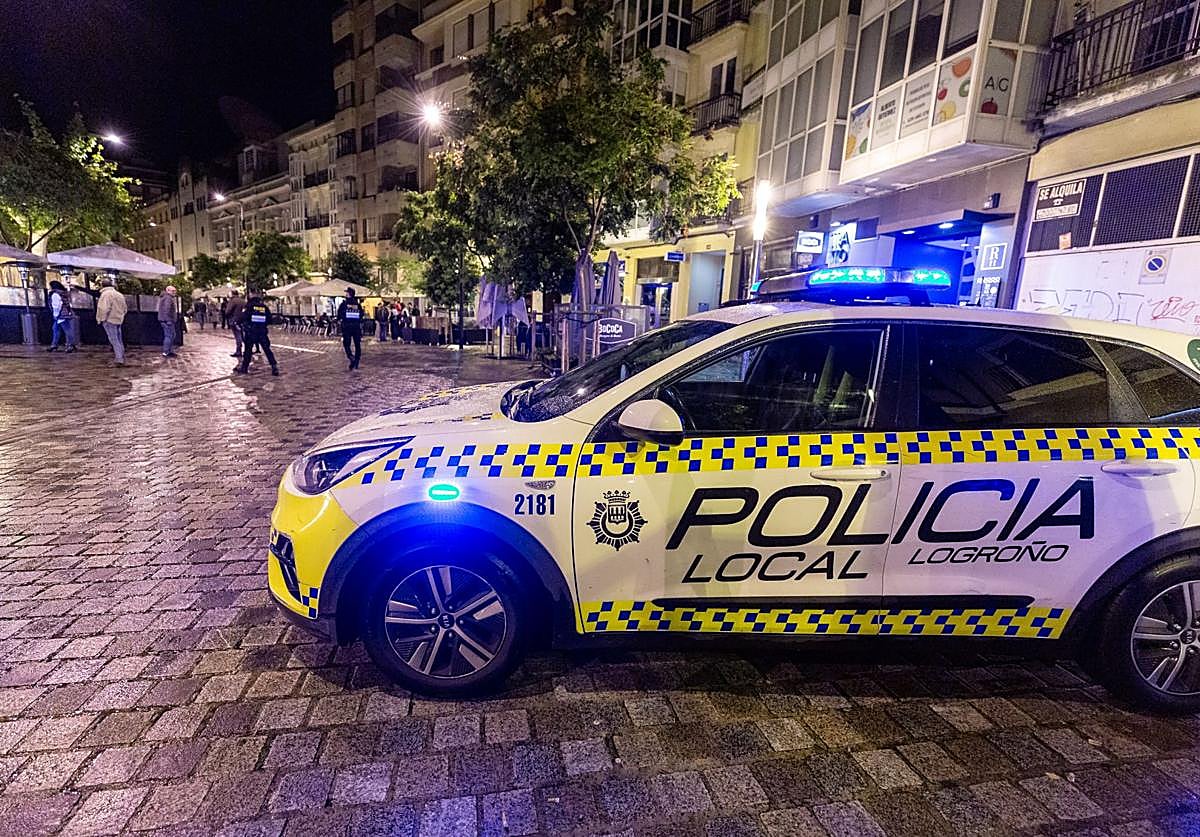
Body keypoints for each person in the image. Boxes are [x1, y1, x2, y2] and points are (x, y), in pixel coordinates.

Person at [236, 290, 279, 376]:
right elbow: (270, 319)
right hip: (262, 331)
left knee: (248, 350)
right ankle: (274, 367)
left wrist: (239, 323)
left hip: (251, 331)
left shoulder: (249, 306)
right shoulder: (263, 307)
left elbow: (243, 317)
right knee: (267, 349)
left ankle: (244, 368)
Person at [96, 277, 128, 366]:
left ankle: (119, 359)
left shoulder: (105, 295)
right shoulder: (119, 294)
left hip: (109, 320)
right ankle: (121, 357)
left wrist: (101, 319)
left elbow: (104, 308)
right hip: (118, 319)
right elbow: (125, 309)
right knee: (118, 339)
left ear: (102, 285)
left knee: (114, 340)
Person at [46, 280, 77, 354]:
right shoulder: (63, 293)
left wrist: (56, 315)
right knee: (56, 329)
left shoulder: (55, 294)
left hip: (60, 315)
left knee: (65, 330)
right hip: (66, 313)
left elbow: (56, 306)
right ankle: (54, 345)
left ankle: (70, 345)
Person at [337, 288, 364, 370]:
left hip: (347, 327)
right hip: (356, 327)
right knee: (357, 345)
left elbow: (339, 315)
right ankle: (356, 362)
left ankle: (351, 357)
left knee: (346, 344)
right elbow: (361, 315)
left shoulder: (344, 304)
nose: (345, 294)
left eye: (346, 293)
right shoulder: (357, 304)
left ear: (349, 294)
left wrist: (341, 320)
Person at [158, 285, 180, 357]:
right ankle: (166, 351)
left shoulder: (166, 297)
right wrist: (168, 320)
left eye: (175, 291)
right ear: (168, 290)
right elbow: (166, 310)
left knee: (171, 335)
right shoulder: (168, 298)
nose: (174, 292)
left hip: (166, 320)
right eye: (173, 291)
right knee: (169, 336)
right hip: (167, 321)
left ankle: (169, 351)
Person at [224, 290, 246, 358]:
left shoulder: (232, 301)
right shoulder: (243, 301)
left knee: (238, 336)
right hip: (243, 320)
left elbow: (228, 311)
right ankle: (247, 349)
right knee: (243, 335)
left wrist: (228, 316)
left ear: (232, 294)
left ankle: (238, 351)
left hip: (234, 320)